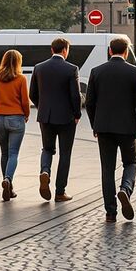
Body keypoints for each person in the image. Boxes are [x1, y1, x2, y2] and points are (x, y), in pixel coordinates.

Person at [85, 37, 136, 222]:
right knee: (130, 163)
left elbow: (89, 102)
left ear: (110, 51)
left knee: (107, 169)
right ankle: (125, 189)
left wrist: (95, 124)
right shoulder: (134, 72)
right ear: (126, 52)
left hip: (103, 127)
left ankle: (110, 212)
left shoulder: (96, 72)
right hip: (128, 128)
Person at [31, 37, 81, 202]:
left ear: (52, 50)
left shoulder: (39, 68)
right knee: (65, 153)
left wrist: (42, 107)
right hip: (66, 117)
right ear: (65, 50)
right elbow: (75, 96)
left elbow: (32, 94)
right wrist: (77, 114)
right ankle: (60, 192)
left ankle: (45, 171)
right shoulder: (71, 69)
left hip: (45, 116)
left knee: (47, 149)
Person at [0, 49, 30, 201]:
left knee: (4, 153)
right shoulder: (21, 78)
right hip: (16, 118)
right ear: (18, 62)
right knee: (13, 154)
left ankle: (9, 188)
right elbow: (25, 100)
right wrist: (26, 114)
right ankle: (8, 179)